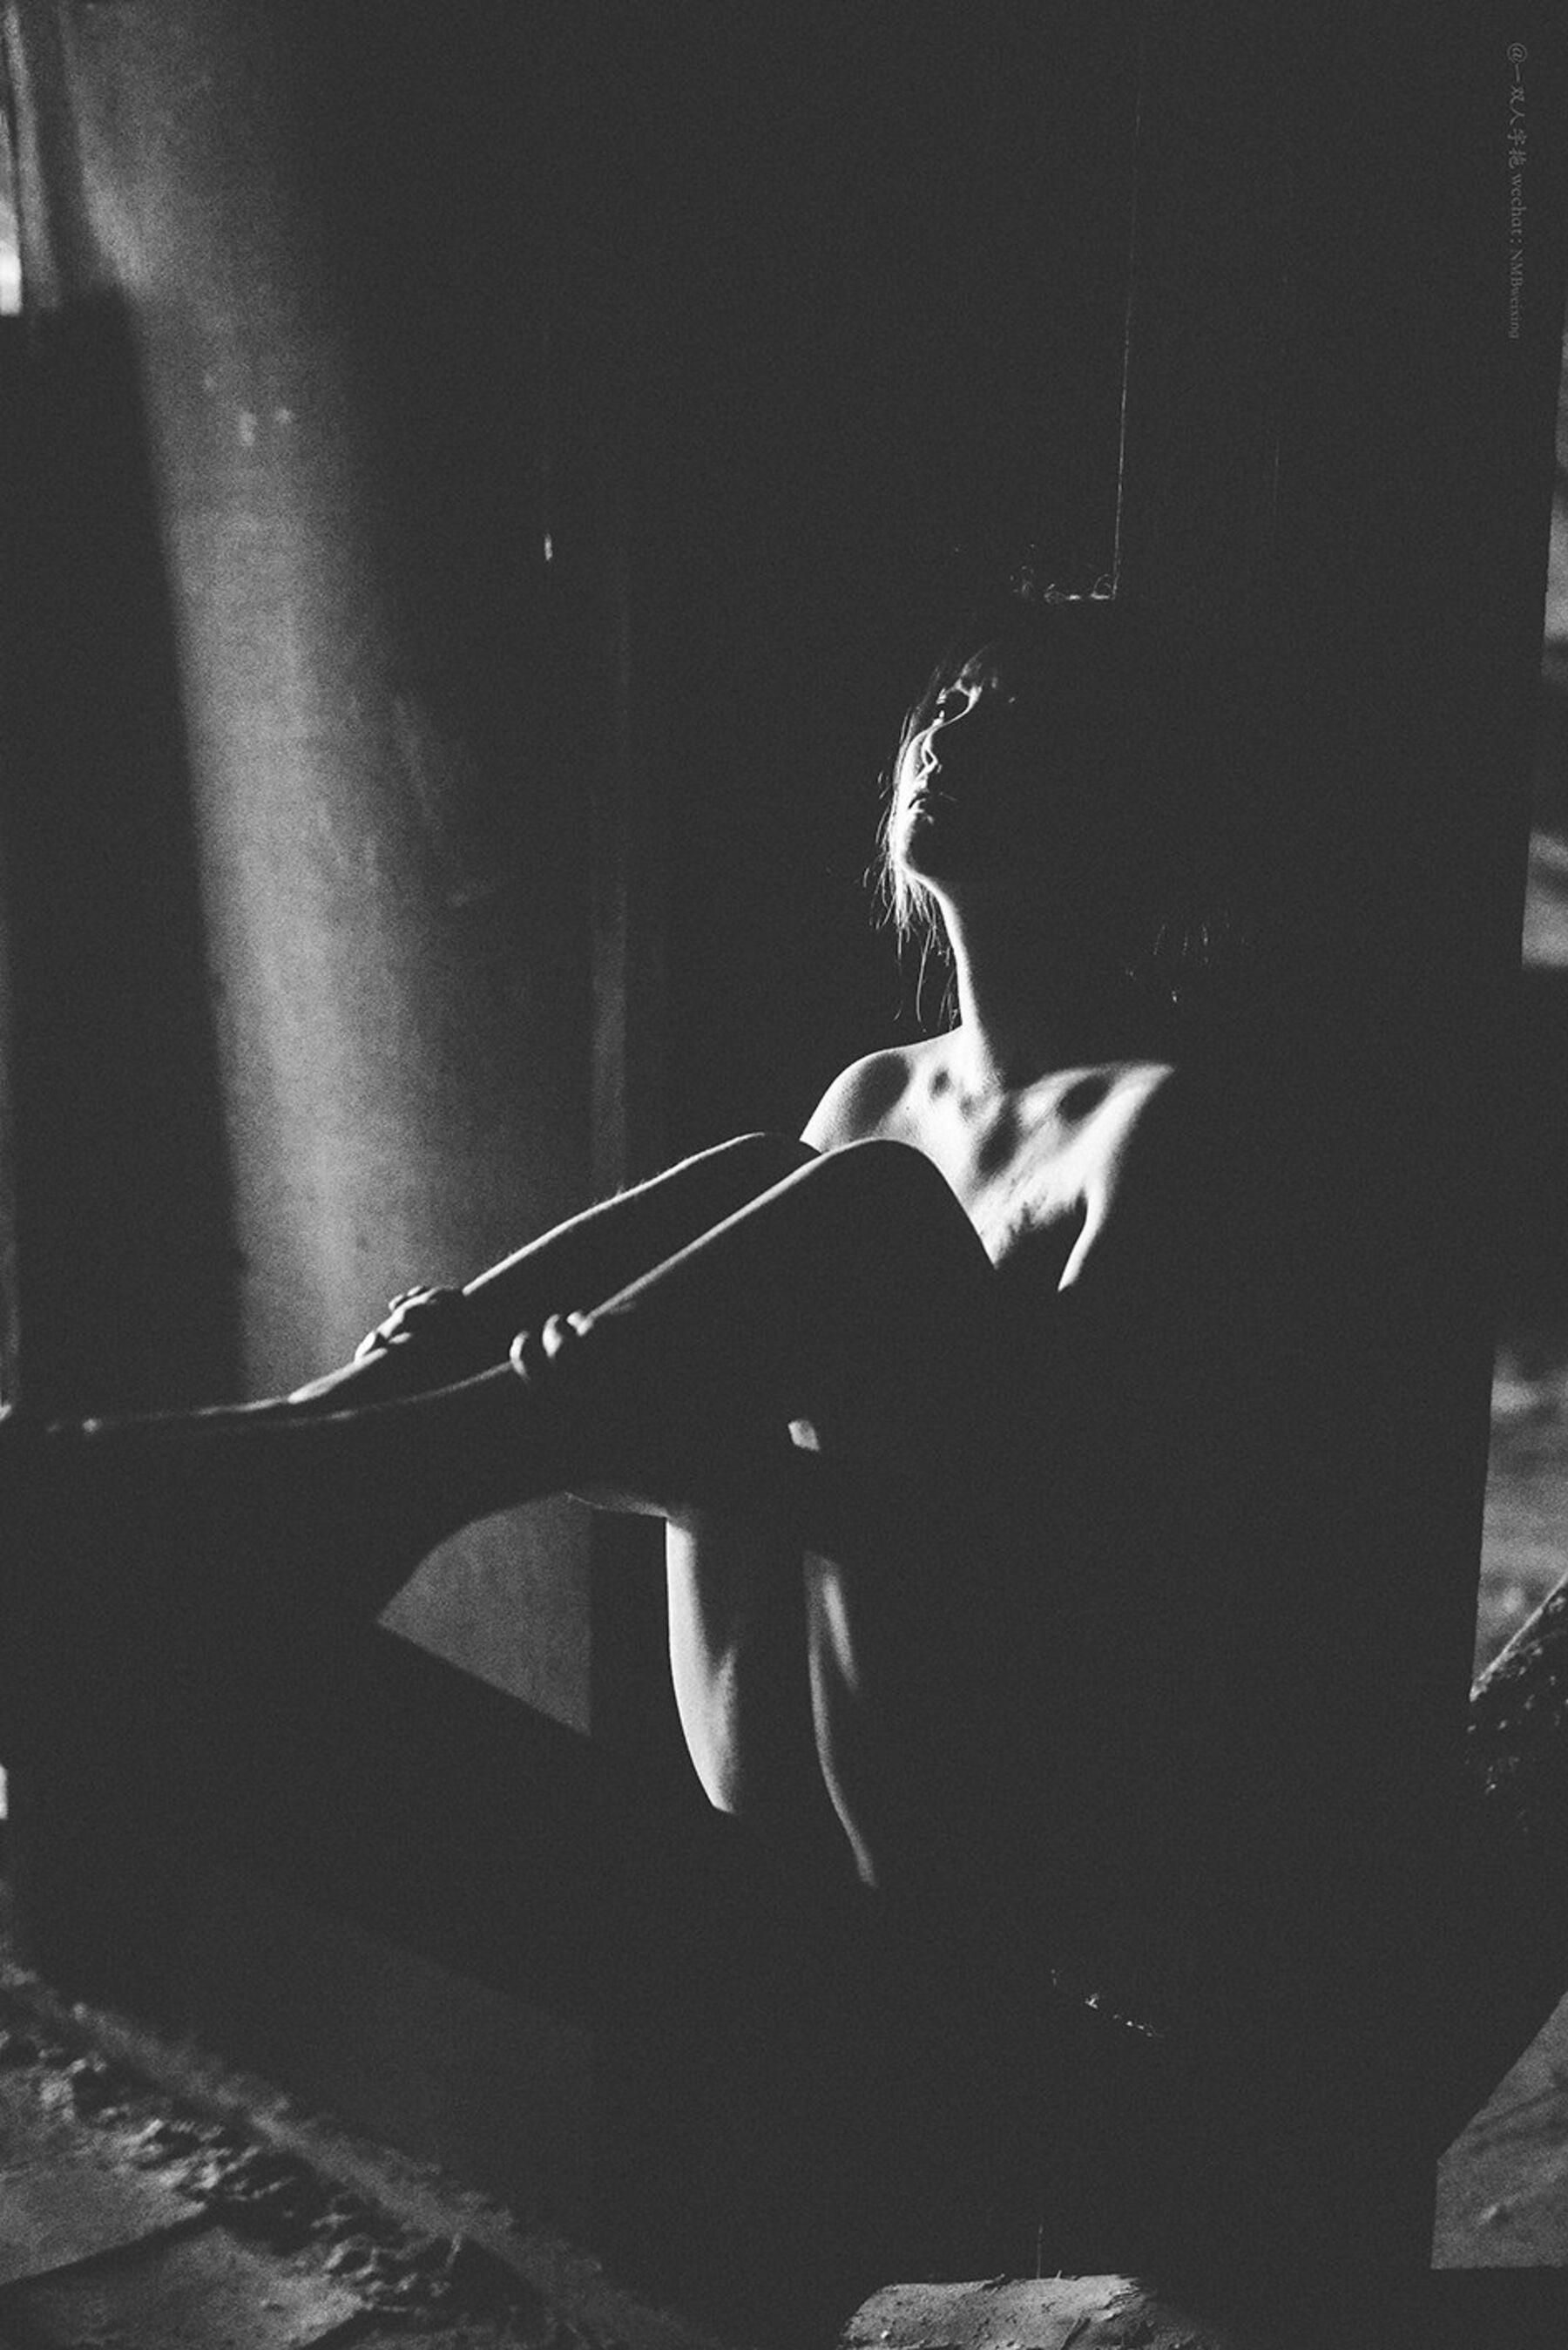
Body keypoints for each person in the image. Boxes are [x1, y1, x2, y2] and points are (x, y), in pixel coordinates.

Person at [2, 586, 1409, 2311]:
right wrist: (637, 1435)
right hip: (773, 1775)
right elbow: (715, 1459)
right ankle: (336, 1434)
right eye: (945, 695)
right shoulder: (870, 1093)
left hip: (993, 1824)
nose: (947, 725)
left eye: (1008, 710)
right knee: (796, 1168)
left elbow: (1065, 1563)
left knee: (870, 1214)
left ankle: (335, 1477)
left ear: (1113, 803)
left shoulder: (1158, 1124)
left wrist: (686, 1454)